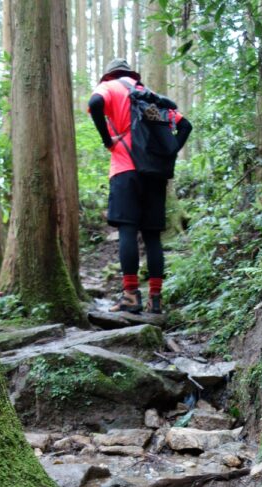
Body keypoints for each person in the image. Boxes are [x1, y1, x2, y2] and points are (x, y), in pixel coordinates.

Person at [88, 58, 192, 315]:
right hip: (154, 173)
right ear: (133, 75)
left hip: (125, 171)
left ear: (109, 75)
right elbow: (185, 125)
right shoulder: (150, 97)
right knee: (152, 236)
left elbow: (94, 103)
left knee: (127, 230)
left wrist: (107, 141)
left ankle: (131, 296)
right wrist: (170, 153)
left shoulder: (110, 87)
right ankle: (155, 300)